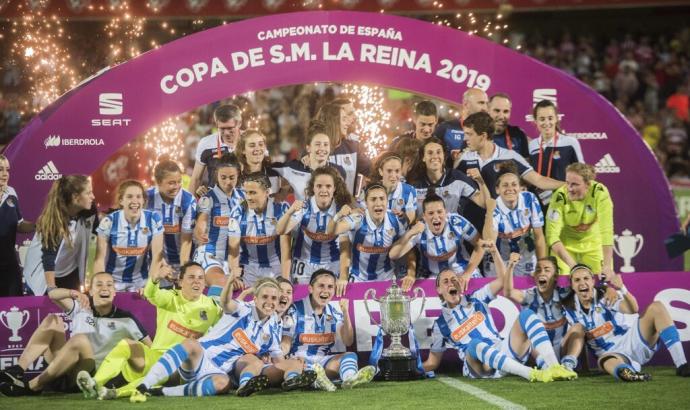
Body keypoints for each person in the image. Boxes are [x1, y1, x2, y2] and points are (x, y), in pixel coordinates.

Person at [130, 276, 314, 401]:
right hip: (201, 359)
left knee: (222, 385)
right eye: (265, 297)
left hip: (220, 372)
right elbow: (226, 303)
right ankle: (145, 384)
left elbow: (278, 358)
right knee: (191, 344)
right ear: (255, 298)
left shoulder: (274, 326)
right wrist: (228, 284)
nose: (270, 302)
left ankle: (160, 392)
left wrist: (294, 367)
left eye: (274, 298)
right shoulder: (243, 309)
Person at [422, 244, 577, 382]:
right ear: (439, 290)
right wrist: (412, 369)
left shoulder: (477, 298)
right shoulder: (440, 324)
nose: (452, 283)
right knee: (474, 344)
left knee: (527, 314)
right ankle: (530, 374)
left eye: (454, 279)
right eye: (446, 281)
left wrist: (495, 252)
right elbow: (433, 362)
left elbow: (503, 281)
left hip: (502, 353)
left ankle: (554, 367)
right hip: (478, 368)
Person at [76, 262, 222, 400]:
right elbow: (151, 294)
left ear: (204, 283)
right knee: (127, 344)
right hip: (156, 355)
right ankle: (94, 383)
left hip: (180, 366)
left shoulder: (212, 307)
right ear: (180, 281)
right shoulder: (170, 298)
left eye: (200, 278)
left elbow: (224, 327)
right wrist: (155, 278)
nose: (196, 281)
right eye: (191, 277)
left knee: (152, 377)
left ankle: (115, 393)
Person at [0, 273, 151, 396]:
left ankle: (33, 386)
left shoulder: (127, 319)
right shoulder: (82, 307)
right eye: (99, 285)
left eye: (109, 285)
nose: (104, 288)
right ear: (90, 291)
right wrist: (73, 293)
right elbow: (52, 295)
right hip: (64, 365)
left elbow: (151, 350)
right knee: (52, 320)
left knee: (80, 340)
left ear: (114, 292)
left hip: (88, 373)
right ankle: (18, 370)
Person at [562, 265, 690, 380]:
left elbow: (633, 309)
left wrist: (622, 289)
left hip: (632, 340)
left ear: (592, 281)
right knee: (604, 360)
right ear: (572, 285)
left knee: (657, 307)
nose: (582, 283)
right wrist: (585, 368)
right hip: (612, 355)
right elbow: (578, 339)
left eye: (586, 278)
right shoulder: (569, 309)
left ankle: (682, 365)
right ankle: (629, 373)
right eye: (577, 280)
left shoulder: (605, 295)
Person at [282, 269, 376, 392]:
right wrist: (283, 358)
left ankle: (350, 379)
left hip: (323, 363)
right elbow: (286, 342)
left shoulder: (334, 313)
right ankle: (313, 381)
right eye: (321, 286)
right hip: (299, 362)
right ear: (310, 288)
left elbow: (348, 341)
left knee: (349, 355)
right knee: (305, 368)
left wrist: (346, 313)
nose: (325, 291)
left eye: (330, 287)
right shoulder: (294, 309)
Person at [457, 112, 565, 199]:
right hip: (471, 221)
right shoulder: (464, 159)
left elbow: (539, 181)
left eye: (469, 134)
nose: (465, 138)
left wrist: (568, 185)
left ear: (483, 136)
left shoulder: (510, 156)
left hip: (501, 223)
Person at [390, 193, 484, 291]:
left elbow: (480, 244)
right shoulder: (419, 229)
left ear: (445, 212)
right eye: (431, 213)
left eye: (439, 212)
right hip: (432, 274)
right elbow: (393, 255)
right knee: (420, 299)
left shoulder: (457, 222)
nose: (436, 217)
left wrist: (467, 273)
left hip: (461, 269)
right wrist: (410, 233)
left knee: (478, 296)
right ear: (424, 216)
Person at [503, 256, 583, 371]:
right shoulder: (529, 295)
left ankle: (568, 363)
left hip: (561, 349)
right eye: (538, 270)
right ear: (534, 275)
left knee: (578, 327)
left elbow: (586, 287)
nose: (542, 272)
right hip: (537, 355)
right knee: (527, 333)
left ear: (555, 276)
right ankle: (544, 365)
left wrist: (608, 287)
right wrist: (510, 266)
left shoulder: (565, 294)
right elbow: (508, 292)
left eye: (547, 269)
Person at [276, 166, 353, 285]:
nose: (324, 190)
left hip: (333, 265)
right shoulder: (303, 208)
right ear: (313, 187)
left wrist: (343, 276)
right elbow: (282, 231)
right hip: (304, 265)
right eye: (319, 186)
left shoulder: (341, 211)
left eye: (328, 186)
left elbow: (345, 247)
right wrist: (289, 211)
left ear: (334, 188)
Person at [22, 175, 95, 295]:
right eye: (88, 193)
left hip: (68, 270)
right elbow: (48, 258)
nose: (93, 196)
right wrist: (51, 289)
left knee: (74, 308)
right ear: (75, 197)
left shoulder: (89, 209)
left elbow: (98, 231)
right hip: (43, 275)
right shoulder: (55, 221)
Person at [94, 180, 164, 291]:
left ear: (144, 200)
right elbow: (99, 259)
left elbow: (157, 257)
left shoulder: (153, 219)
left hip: (142, 282)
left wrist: (149, 287)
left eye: (138, 197)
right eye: (130, 197)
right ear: (121, 200)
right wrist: (102, 286)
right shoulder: (109, 222)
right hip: (113, 282)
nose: (135, 201)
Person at [545, 163, 614, 277]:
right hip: (565, 246)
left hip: (593, 244)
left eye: (575, 184)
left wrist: (606, 266)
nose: (569, 189)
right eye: (567, 183)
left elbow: (607, 231)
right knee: (562, 284)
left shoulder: (600, 193)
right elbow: (551, 236)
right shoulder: (559, 196)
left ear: (588, 184)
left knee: (604, 281)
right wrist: (574, 266)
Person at [328, 183, 406, 283]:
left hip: (386, 278)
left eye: (382, 199)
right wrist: (338, 215)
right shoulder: (358, 218)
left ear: (387, 202)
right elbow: (331, 231)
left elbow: (408, 246)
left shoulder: (395, 220)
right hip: (357, 278)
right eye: (373, 199)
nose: (378, 203)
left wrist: (409, 273)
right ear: (366, 203)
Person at [192, 154, 245, 299]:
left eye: (232, 177)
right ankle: (211, 317)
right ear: (216, 174)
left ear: (238, 174)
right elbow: (201, 221)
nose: (228, 182)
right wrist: (200, 232)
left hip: (235, 258)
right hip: (209, 254)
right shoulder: (207, 198)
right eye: (223, 177)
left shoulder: (244, 197)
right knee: (222, 281)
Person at [483, 163, 547, 276]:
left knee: (528, 291)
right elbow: (489, 242)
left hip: (526, 257)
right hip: (499, 259)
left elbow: (539, 236)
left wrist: (541, 266)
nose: (510, 189)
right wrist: (489, 212)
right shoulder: (494, 207)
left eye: (514, 184)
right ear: (497, 189)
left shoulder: (529, 199)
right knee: (500, 292)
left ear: (519, 187)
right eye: (505, 185)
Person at [228, 172, 291, 287]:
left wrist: (286, 281)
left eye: (253, 193)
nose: (248, 197)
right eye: (246, 193)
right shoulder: (237, 212)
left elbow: (286, 251)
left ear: (267, 192)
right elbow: (234, 251)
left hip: (276, 266)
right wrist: (235, 276)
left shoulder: (282, 209)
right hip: (249, 268)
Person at [408, 137, 484, 217]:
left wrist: (480, 181)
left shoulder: (457, 177)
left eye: (438, 152)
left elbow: (483, 203)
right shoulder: (414, 184)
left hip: (451, 229)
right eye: (430, 153)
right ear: (423, 157)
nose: (435, 156)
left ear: (444, 155)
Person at [272, 120, 347, 201]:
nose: (322, 148)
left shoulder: (339, 171)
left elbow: (343, 201)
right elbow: (266, 168)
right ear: (308, 148)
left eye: (326, 144)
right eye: (317, 144)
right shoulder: (293, 167)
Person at [528, 100, 584, 204]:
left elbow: (582, 175)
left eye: (550, 118)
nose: (546, 123)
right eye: (542, 119)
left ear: (556, 119)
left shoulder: (570, 143)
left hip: (564, 202)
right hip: (539, 204)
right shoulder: (532, 146)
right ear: (535, 121)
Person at [146, 160, 196, 276]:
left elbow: (186, 240)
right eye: (171, 183)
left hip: (183, 260)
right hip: (155, 262)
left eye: (179, 181)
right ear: (158, 182)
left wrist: (183, 271)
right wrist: (159, 265)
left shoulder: (188, 201)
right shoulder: (146, 199)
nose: (177, 186)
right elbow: (145, 236)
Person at [317, 98, 371, 195]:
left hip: (349, 206)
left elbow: (370, 170)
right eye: (344, 118)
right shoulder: (315, 149)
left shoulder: (353, 146)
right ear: (333, 121)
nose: (349, 121)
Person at [189, 104, 243, 198]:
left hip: (244, 201)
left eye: (230, 128)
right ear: (216, 124)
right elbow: (196, 179)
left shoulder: (251, 141)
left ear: (239, 123)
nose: (226, 133)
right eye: (222, 128)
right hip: (215, 203)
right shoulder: (206, 143)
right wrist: (190, 209)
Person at [0, 154, 35, 296]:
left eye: (7, 170)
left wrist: (36, 226)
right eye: (0, 169)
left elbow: (19, 224)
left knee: (14, 303)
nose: (4, 174)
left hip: (9, 263)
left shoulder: (11, 193)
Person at [433, 87, 488, 165]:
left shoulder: (487, 132)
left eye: (486, 103)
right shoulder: (446, 128)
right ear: (466, 104)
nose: (485, 108)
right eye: (481, 103)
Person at [369, 152, 417, 224]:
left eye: (397, 171)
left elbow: (411, 221)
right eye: (389, 171)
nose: (393, 175)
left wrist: (403, 217)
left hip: (401, 233)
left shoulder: (409, 191)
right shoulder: (369, 191)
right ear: (381, 171)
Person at [235, 129, 281, 195]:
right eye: (252, 145)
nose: (257, 148)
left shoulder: (274, 173)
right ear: (243, 150)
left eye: (261, 144)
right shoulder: (236, 177)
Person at [488, 93, 530, 158]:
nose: (501, 116)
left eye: (506, 111)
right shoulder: (477, 134)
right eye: (497, 111)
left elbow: (526, 165)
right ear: (488, 110)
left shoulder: (518, 134)